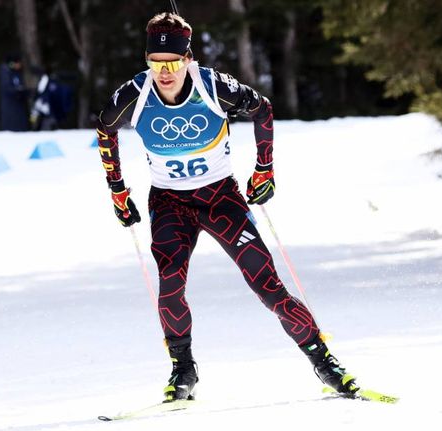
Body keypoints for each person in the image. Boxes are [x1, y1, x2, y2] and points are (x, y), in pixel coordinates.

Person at [95, 12, 358, 402]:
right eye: (155, 63)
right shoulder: (136, 92)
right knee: (170, 287)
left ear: (187, 59)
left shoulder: (212, 85)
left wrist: (263, 170)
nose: (164, 73)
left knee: (268, 286)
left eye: (171, 63)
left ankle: (325, 362)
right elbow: (105, 129)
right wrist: (118, 190)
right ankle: (183, 370)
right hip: (169, 203)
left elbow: (263, 110)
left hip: (220, 198)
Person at [0, 54, 30, 131]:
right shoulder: (6, 72)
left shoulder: (17, 73)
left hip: (18, 107)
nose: (20, 65)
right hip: (11, 109)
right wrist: (19, 91)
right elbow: (8, 88)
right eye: (18, 63)